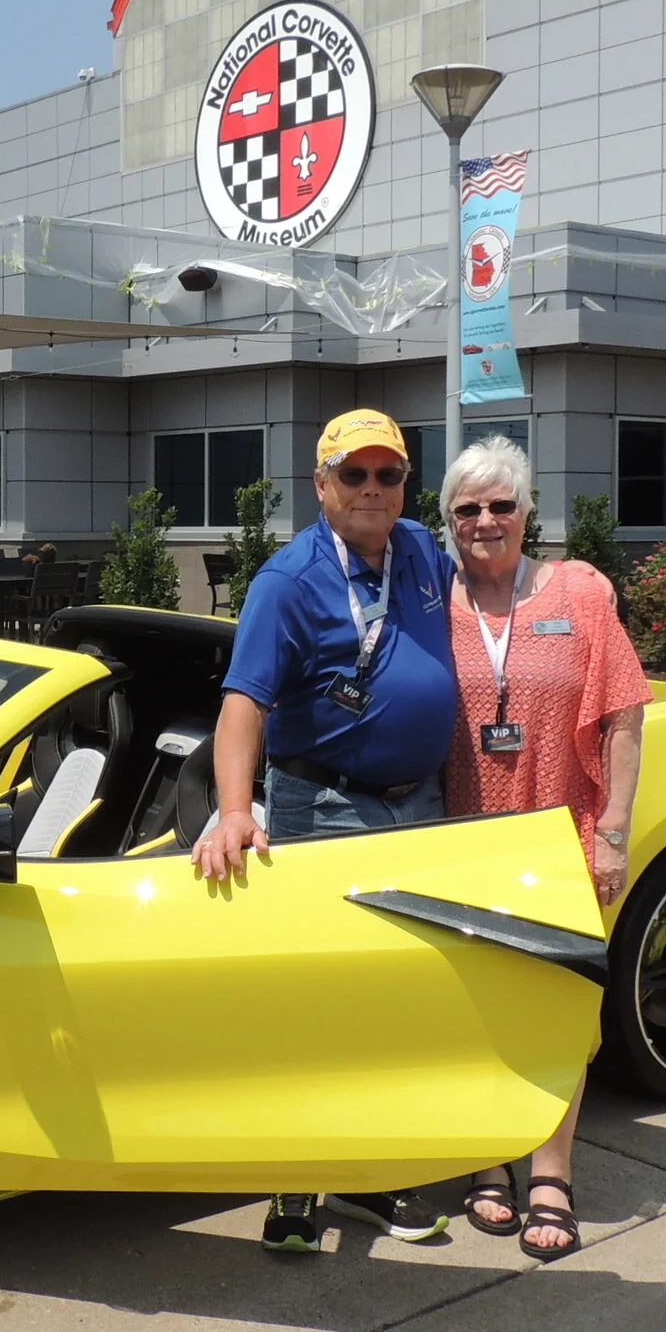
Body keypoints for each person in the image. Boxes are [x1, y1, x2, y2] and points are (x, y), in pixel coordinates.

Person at [195, 409, 461, 1253]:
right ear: (321, 486)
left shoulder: (422, 549)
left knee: (396, 995)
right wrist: (237, 810)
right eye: (355, 475)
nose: (374, 490)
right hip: (326, 807)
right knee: (314, 999)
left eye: (389, 474)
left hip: (418, 805)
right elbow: (243, 706)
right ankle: (297, 1183)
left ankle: (369, 1176)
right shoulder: (288, 579)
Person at [437, 435, 648, 1263]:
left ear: (528, 513)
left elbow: (624, 713)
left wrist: (614, 832)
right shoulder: (432, 599)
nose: (485, 520)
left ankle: (551, 1168)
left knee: (558, 1003)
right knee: (477, 1001)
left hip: (560, 830)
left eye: (501, 505)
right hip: (460, 836)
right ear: (449, 521)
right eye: (467, 508)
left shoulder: (581, 595)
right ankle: (489, 1157)